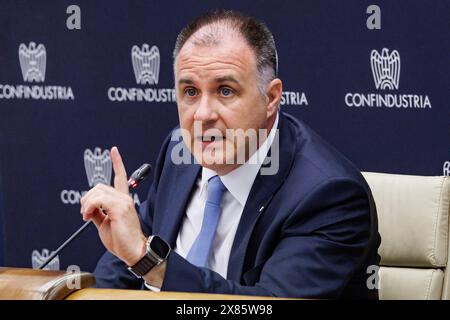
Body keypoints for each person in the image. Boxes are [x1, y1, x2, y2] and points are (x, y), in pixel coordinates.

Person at [82, 10, 381, 299]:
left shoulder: (329, 196)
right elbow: (129, 252)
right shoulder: (180, 152)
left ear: (271, 98)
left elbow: (267, 304)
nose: (202, 115)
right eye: (190, 92)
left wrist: (150, 263)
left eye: (225, 91)